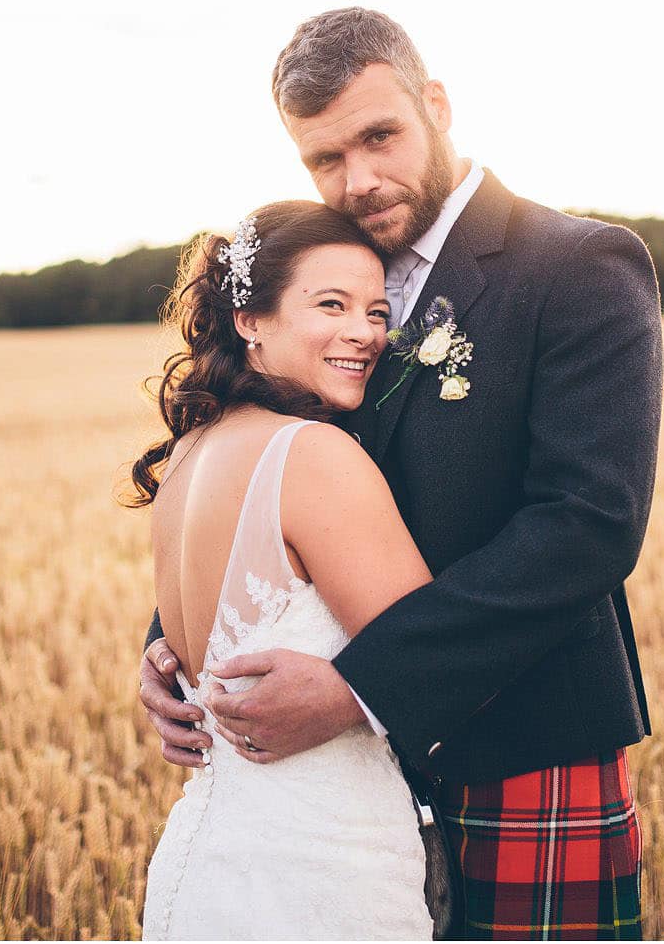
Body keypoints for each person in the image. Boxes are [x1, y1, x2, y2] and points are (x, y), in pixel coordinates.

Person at [138, 8, 664, 940]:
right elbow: (269, 470)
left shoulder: (578, 266)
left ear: (436, 105)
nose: (359, 180)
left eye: (379, 137)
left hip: (522, 751)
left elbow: (588, 522)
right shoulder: (325, 276)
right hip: (340, 791)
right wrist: (185, 649)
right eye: (325, 160)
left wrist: (359, 686)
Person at [129, 199, 437, 939]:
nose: (364, 333)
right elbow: (430, 657)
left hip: (210, 861)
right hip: (322, 866)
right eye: (330, 304)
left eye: (375, 309)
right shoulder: (315, 455)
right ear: (250, 320)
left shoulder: (188, 455)